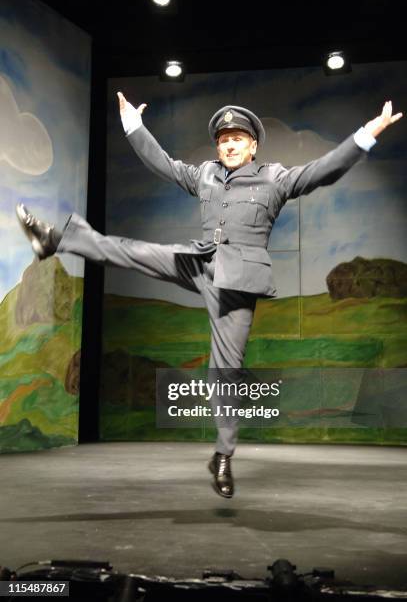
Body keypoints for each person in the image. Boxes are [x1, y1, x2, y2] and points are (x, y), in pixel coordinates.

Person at [16, 97, 402, 499]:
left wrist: (366, 135)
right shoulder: (206, 175)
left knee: (227, 370)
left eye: (238, 139)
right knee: (132, 249)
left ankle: (222, 455)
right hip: (199, 261)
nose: (229, 145)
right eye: (224, 140)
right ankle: (54, 239)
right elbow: (163, 164)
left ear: (253, 146)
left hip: (237, 282)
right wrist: (133, 126)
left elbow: (323, 171)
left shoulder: (275, 178)